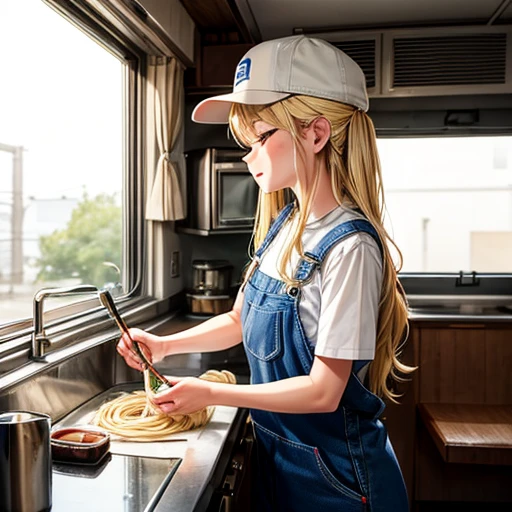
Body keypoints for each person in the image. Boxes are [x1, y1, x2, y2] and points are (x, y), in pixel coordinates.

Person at [117, 35, 414, 512]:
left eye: (260, 137)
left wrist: (211, 392)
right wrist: (164, 345)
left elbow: (323, 391)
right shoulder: (285, 226)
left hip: (341, 481)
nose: (247, 155)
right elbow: (237, 321)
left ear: (316, 134)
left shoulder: (350, 246)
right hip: (283, 461)